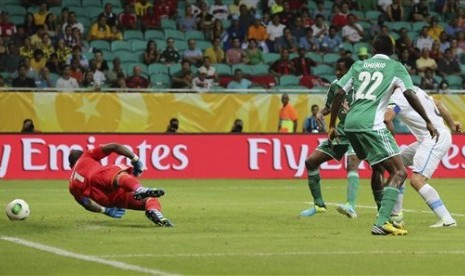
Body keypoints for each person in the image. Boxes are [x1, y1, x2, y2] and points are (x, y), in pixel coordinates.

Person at [328, 34, 438, 235]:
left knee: (379, 168)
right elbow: (409, 94)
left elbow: (338, 93)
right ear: (393, 50)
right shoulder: (396, 67)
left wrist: (332, 124)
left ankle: (388, 215)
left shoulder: (358, 65)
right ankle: (383, 221)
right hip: (373, 124)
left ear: (372, 49)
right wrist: (428, 120)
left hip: (351, 124)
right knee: (400, 172)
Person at [374, 86, 460, 228]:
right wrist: (451, 125)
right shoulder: (415, 89)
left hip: (434, 138)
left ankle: (447, 219)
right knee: (397, 168)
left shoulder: (398, 96)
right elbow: (438, 103)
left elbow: (387, 118)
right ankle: (397, 215)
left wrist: (391, 141)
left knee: (416, 180)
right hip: (431, 137)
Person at [300, 57, 362, 219]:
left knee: (352, 163)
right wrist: (321, 113)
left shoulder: (361, 85)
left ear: (350, 70)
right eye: (336, 69)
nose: (337, 72)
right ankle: (319, 205)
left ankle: (351, 206)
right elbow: (329, 107)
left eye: (341, 69)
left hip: (358, 131)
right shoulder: (335, 86)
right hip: (340, 132)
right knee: (311, 162)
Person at [68, 143, 173, 227]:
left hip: (105, 200)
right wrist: (135, 159)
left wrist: (105, 210)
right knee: (118, 174)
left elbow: (86, 203)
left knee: (150, 198)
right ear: (81, 155)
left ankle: (153, 212)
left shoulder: (72, 185)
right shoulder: (86, 156)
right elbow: (114, 146)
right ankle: (140, 190)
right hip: (98, 178)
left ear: (70, 165)